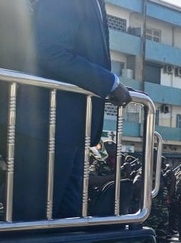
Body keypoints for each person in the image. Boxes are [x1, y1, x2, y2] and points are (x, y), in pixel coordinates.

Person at [12, 0, 133, 221]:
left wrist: (110, 86)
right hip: (46, 130)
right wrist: (109, 83)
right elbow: (48, 50)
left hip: (73, 133)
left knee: (67, 222)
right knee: (34, 222)